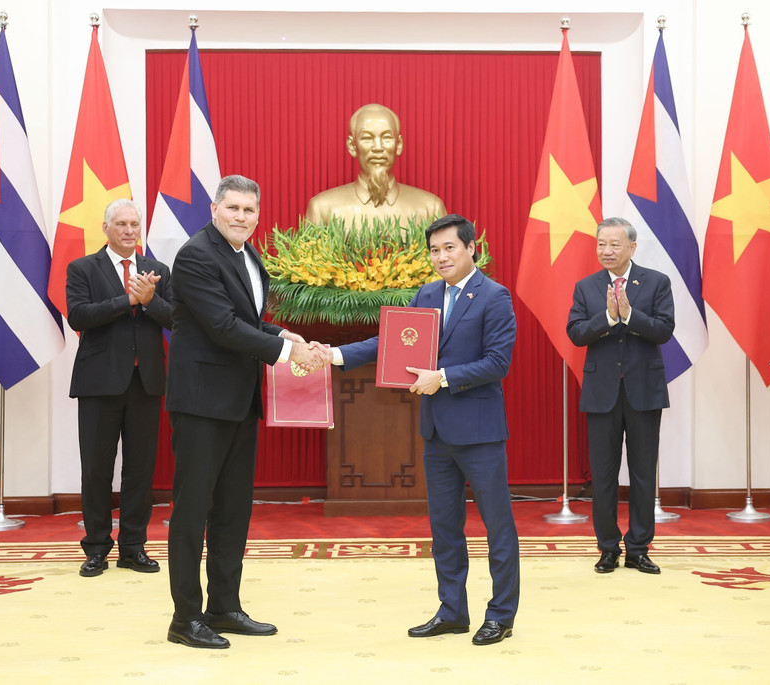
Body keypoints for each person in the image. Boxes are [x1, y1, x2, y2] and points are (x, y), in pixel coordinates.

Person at [326, 214, 519, 646]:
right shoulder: (426, 293)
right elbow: (391, 344)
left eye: (449, 247)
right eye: (434, 250)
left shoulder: (495, 296)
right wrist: (335, 354)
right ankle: (452, 611)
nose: (441, 257)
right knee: (444, 528)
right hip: (436, 433)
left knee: (497, 527)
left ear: (472, 248)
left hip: (481, 433)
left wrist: (443, 377)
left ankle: (501, 615)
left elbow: (497, 362)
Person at [165, 175, 327, 649]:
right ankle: (185, 619)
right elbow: (220, 326)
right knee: (192, 511)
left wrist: (285, 334)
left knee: (233, 510)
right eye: (232, 208)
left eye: (249, 210)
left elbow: (247, 320)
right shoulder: (196, 254)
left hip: (238, 400)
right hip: (200, 403)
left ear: (258, 215)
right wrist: (285, 351)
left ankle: (224, 607)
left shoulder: (246, 254)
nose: (241, 217)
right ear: (214, 209)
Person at [66, 198, 173, 578]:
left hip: (145, 383)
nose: (130, 230)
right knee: (96, 469)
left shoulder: (156, 269)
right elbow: (78, 315)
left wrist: (149, 301)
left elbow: (176, 318)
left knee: (140, 469)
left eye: (134, 224)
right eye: (122, 224)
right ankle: (96, 548)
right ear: (106, 228)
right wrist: (127, 299)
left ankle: (133, 547)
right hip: (99, 384)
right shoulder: (82, 268)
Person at [567, 217, 675, 575]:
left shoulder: (657, 282)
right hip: (602, 394)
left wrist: (629, 314)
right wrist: (609, 319)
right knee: (604, 475)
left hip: (644, 390)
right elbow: (577, 333)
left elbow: (663, 331)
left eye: (614, 244)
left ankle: (639, 548)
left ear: (632, 247)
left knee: (643, 473)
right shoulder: (586, 287)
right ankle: (609, 548)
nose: (606, 251)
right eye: (601, 244)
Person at [304, 103, 446, 228]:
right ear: (352, 146)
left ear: (399, 145)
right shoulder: (322, 209)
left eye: (387, 137)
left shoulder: (430, 209)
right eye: (367, 138)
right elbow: (306, 257)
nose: (378, 147)